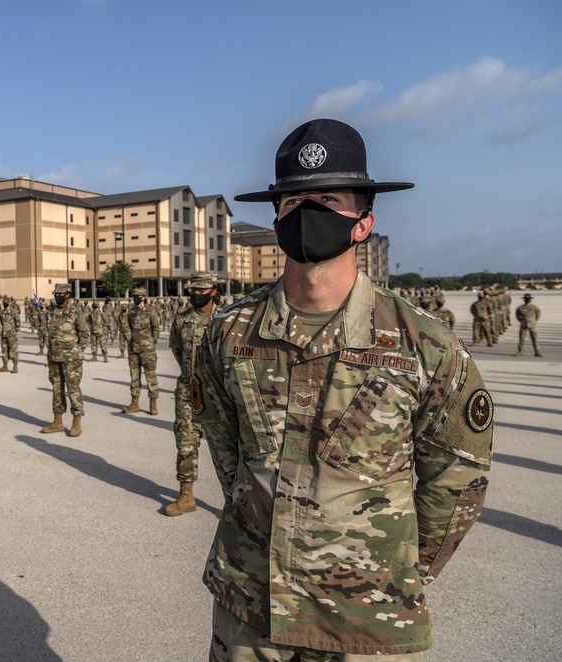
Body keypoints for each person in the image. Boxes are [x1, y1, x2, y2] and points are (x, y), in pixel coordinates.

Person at [194, 118, 492, 659]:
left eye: (328, 197)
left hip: (366, 617)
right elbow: (228, 449)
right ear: (278, 218)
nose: (307, 213)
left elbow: (458, 475)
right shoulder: (229, 333)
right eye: (292, 202)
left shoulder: (425, 344)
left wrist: (397, 566)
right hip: (251, 605)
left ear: (362, 223)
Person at [165, 272, 219, 517]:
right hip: (189, 391)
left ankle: (236, 501)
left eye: (201, 290)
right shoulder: (181, 319)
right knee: (186, 443)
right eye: (193, 290)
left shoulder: (227, 319)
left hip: (220, 393)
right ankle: (186, 494)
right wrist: (190, 374)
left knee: (228, 448)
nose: (196, 294)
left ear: (213, 291)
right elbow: (177, 349)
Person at [41, 283, 89, 437]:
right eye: (56, 293)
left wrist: (78, 352)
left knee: (73, 388)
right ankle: (58, 421)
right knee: (56, 389)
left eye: (61, 294)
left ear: (68, 295)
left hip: (71, 359)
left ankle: (77, 422)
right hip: (54, 356)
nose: (58, 296)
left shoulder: (76, 312)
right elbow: (49, 334)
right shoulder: (51, 312)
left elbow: (84, 334)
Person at [122, 288, 160, 415]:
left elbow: (155, 328)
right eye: (134, 296)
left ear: (144, 297)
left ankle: (153, 404)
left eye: (138, 296)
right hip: (133, 349)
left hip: (147, 349)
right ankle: (135, 403)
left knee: (150, 376)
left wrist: (151, 342)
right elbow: (127, 326)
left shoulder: (151, 311)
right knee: (134, 376)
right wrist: (129, 338)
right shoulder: (131, 312)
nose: (135, 298)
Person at [0, 297, 20, 374]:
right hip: (4, 334)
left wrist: (15, 331)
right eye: (4, 303)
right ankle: (5, 366)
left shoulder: (13, 312)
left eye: (7, 303)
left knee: (13, 350)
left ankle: (15, 366)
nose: (5, 305)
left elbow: (18, 322)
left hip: (12, 334)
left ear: (10, 303)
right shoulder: (2, 312)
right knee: (4, 350)